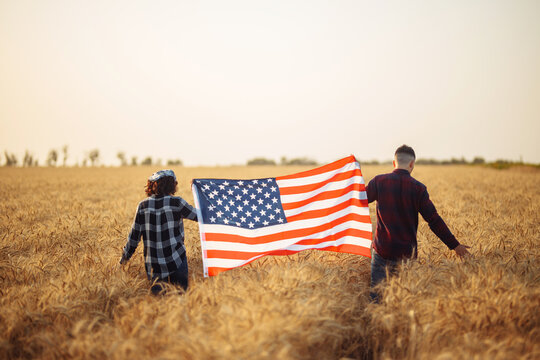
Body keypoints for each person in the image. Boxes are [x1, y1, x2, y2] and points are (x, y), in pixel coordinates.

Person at [366, 145, 470, 302]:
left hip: (382, 252)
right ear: (412, 164)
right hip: (407, 256)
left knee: (376, 300)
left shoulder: (379, 182)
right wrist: (455, 245)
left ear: (394, 163)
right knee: (403, 301)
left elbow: (358, 200)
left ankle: (375, 324)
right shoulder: (418, 189)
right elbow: (434, 220)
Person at [120, 169, 198, 295]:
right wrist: (197, 189)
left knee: (159, 307)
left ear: (152, 185)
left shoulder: (143, 206)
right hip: (177, 261)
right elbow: (199, 216)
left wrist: (124, 259)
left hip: (153, 266)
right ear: (172, 185)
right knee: (182, 303)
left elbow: (133, 238)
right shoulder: (177, 202)